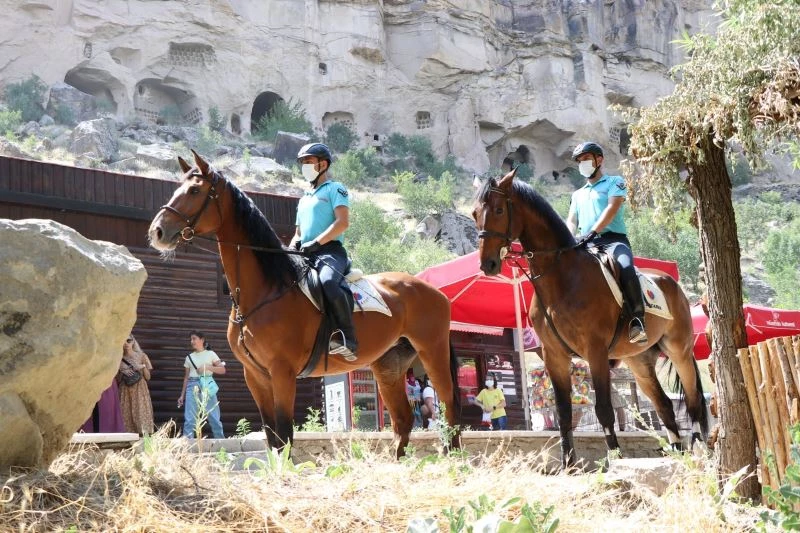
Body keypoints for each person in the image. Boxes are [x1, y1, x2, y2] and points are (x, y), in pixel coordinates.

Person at [566, 141, 648, 345]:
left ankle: (637, 321)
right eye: (580, 160)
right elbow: (572, 220)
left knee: (626, 267)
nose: (583, 163)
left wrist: (593, 231)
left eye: (586, 158)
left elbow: (612, 208)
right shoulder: (577, 194)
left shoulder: (615, 182)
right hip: (585, 244)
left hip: (613, 241)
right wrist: (568, 239)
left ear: (599, 160)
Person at [290, 143, 358, 359]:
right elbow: (298, 234)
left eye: (308, 161)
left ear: (323, 164)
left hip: (330, 252)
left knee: (328, 282)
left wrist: (317, 242)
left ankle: (348, 338)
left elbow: (342, 222)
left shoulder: (335, 188)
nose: (304, 166)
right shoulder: (303, 198)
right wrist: (289, 251)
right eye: (302, 162)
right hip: (306, 254)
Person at [178, 331, 225, 439]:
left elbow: (222, 370)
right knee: (190, 418)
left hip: (207, 384)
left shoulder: (211, 354)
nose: (192, 341)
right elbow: (186, 377)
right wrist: (182, 395)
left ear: (202, 340)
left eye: (194, 338)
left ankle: (221, 442)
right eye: (191, 339)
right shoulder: (189, 357)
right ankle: (187, 444)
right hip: (192, 385)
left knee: (214, 417)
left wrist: (207, 367)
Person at [117, 334, 154, 435]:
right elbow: (118, 380)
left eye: (128, 340)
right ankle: (128, 441)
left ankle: (146, 439)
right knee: (125, 414)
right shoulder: (119, 358)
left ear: (133, 341)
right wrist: (122, 372)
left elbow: (148, 377)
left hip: (140, 389)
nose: (126, 343)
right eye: (124, 341)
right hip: (125, 389)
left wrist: (142, 367)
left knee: (142, 413)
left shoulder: (142, 356)